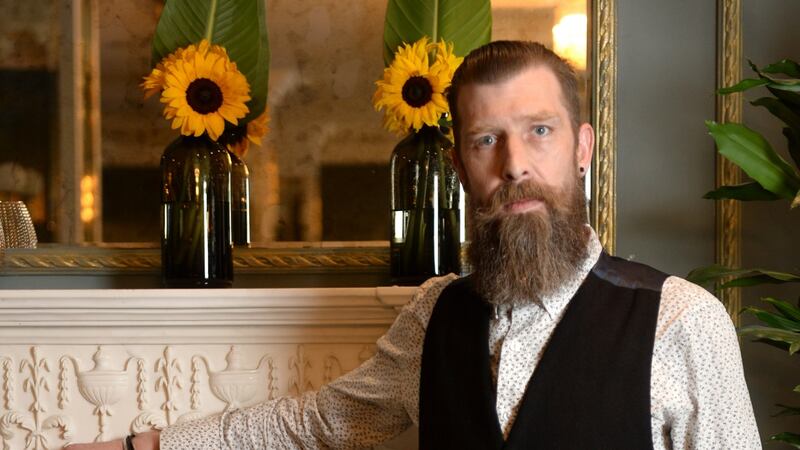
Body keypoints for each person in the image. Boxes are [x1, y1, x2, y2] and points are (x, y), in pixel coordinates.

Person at [67, 40, 761, 450]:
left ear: (582, 149)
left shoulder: (682, 322)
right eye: (487, 139)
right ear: (460, 167)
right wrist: (140, 446)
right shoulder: (434, 319)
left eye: (539, 131)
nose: (514, 163)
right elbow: (312, 424)